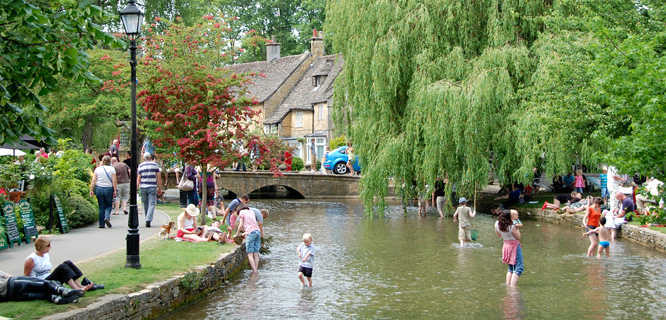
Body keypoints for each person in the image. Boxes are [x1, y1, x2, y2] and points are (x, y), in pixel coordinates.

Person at [23, 237, 102, 292]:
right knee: (62, 267)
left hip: (49, 279)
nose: (50, 247)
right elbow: (26, 277)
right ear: (41, 247)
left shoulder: (45, 255)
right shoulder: (31, 259)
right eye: (48, 245)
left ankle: (80, 286)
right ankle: (76, 289)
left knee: (68, 262)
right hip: (41, 283)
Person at [1, 271, 85, 304]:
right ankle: (63, 291)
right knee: (45, 284)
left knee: (43, 295)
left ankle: (59, 299)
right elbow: (8, 276)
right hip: (12, 283)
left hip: (11, 296)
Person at [495, 210, 523, 287]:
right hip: (514, 246)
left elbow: (499, 235)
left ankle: (508, 285)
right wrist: (517, 228)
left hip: (505, 245)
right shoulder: (512, 226)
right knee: (519, 268)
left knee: (511, 268)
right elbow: (518, 237)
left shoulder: (497, 224)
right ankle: (513, 288)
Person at [90, 155, 117, 228]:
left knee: (101, 206)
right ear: (109, 161)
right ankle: (107, 217)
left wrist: (91, 190)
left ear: (102, 161)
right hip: (108, 189)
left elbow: (93, 180)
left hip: (99, 189)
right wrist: (115, 190)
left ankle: (101, 224)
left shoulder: (97, 169)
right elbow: (114, 180)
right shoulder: (112, 169)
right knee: (109, 205)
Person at [233, 207, 262, 273]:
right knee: (256, 253)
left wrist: (237, 234)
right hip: (257, 231)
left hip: (251, 233)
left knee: (250, 254)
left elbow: (240, 225)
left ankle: (254, 272)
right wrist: (245, 233)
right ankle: (256, 270)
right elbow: (253, 225)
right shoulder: (251, 211)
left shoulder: (241, 212)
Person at [137, 152, 162, 228]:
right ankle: (148, 219)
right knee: (152, 204)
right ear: (150, 157)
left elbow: (139, 177)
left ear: (144, 158)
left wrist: (137, 186)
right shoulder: (155, 165)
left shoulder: (141, 165)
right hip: (152, 186)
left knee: (145, 204)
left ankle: (147, 219)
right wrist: (159, 187)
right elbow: (158, 177)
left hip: (143, 187)